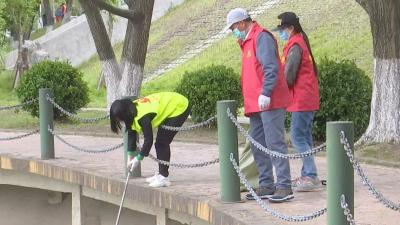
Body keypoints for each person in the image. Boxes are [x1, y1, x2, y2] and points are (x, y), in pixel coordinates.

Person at [225, 8, 293, 203]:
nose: (232, 32)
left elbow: (270, 67)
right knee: (258, 146)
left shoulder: (261, 37)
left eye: (233, 28)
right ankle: (266, 184)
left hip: (268, 101)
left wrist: (266, 92)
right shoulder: (247, 40)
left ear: (242, 23)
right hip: (255, 103)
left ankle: (284, 186)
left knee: (274, 143)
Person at [274, 12, 322, 192]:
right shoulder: (300, 42)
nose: (281, 33)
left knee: (297, 137)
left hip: (301, 99)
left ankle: (310, 175)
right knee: (305, 137)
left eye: (282, 29)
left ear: (291, 28)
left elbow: (289, 75)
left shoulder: (295, 45)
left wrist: (277, 90)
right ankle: (307, 175)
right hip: (306, 98)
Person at [109, 92, 191, 188]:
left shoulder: (142, 116)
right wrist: (129, 159)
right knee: (161, 142)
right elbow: (131, 132)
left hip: (179, 106)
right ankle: (161, 174)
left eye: (119, 119)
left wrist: (139, 158)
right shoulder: (130, 109)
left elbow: (148, 140)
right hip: (170, 103)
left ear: (124, 115)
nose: (119, 122)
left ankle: (164, 178)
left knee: (162, 142)